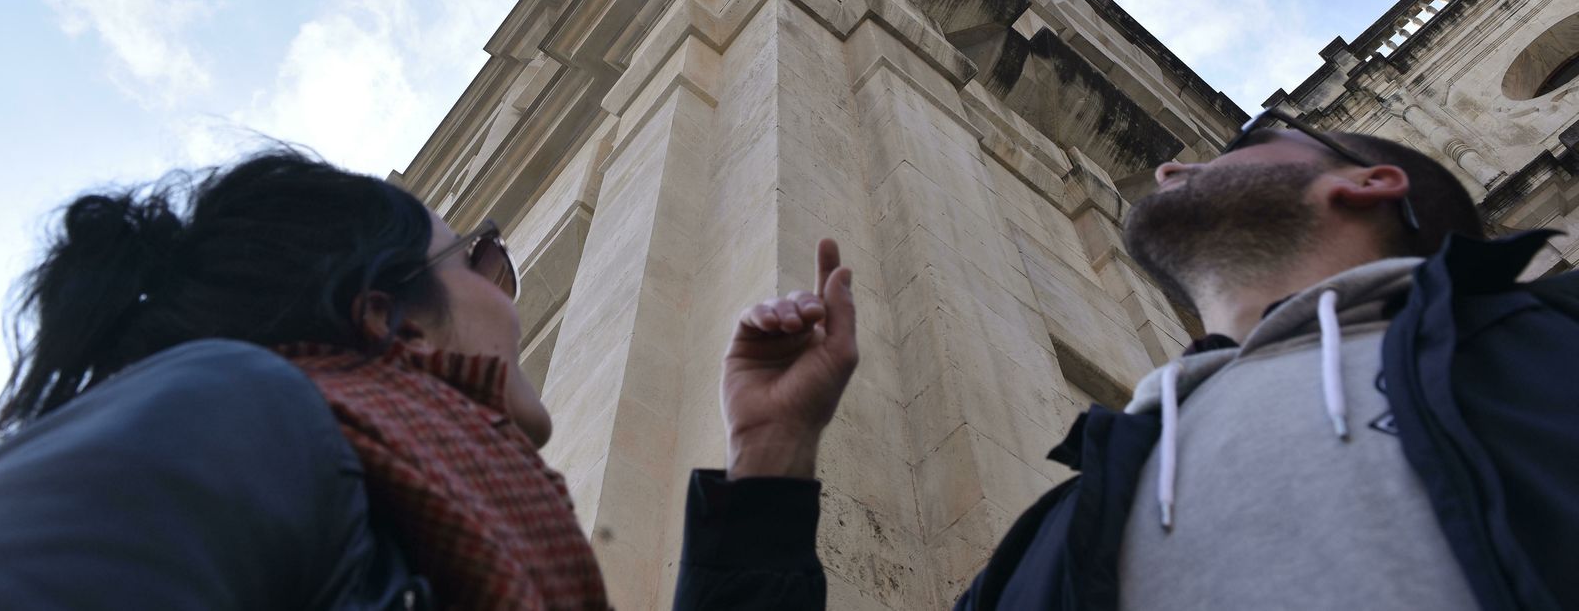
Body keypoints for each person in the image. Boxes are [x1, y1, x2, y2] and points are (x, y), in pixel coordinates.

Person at [673, 112, 1579, 610]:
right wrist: (771, 460)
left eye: (1240, 142)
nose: (1170, 167)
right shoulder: (1063, 530)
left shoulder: (1549, 346)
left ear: (1365, 182)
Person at [0, 150, 607, 609]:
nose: (511, 304)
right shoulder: (238, 404)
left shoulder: (419, 513)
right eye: (486, 266)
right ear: (390, 318)